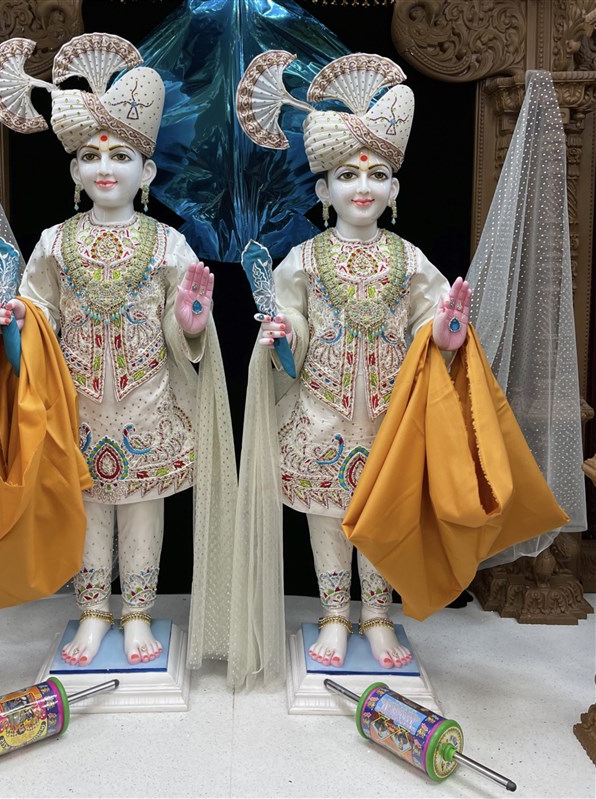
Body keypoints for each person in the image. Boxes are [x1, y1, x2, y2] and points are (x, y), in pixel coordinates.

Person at [0, 33, 236, 669]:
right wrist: (16, 320)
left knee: (144, 511)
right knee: (88, 507)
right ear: (74, 171)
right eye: (91, 156)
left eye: (121, 155)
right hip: (77, 405)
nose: (105, 168)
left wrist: (192, 321)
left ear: (146, 172)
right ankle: (95, 611)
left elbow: (186, 327)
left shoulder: (167, 244)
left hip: (149, 403)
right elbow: (39, 315)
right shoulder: (54, 242)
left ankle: (139, 613)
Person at [231, 51, 471, 679]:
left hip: (390, 416)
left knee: (384, 513)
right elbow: (290, 320)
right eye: (347, 174)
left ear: (394, 189)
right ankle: (336, 615)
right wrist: (282, 331)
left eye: (376, 174)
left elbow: (429, 325)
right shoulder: (305, 258)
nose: (362, 187)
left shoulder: (409, 258)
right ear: (323, 189)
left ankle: (379, 616)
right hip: (320, 413)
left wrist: (446, 330)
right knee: (327, 519)